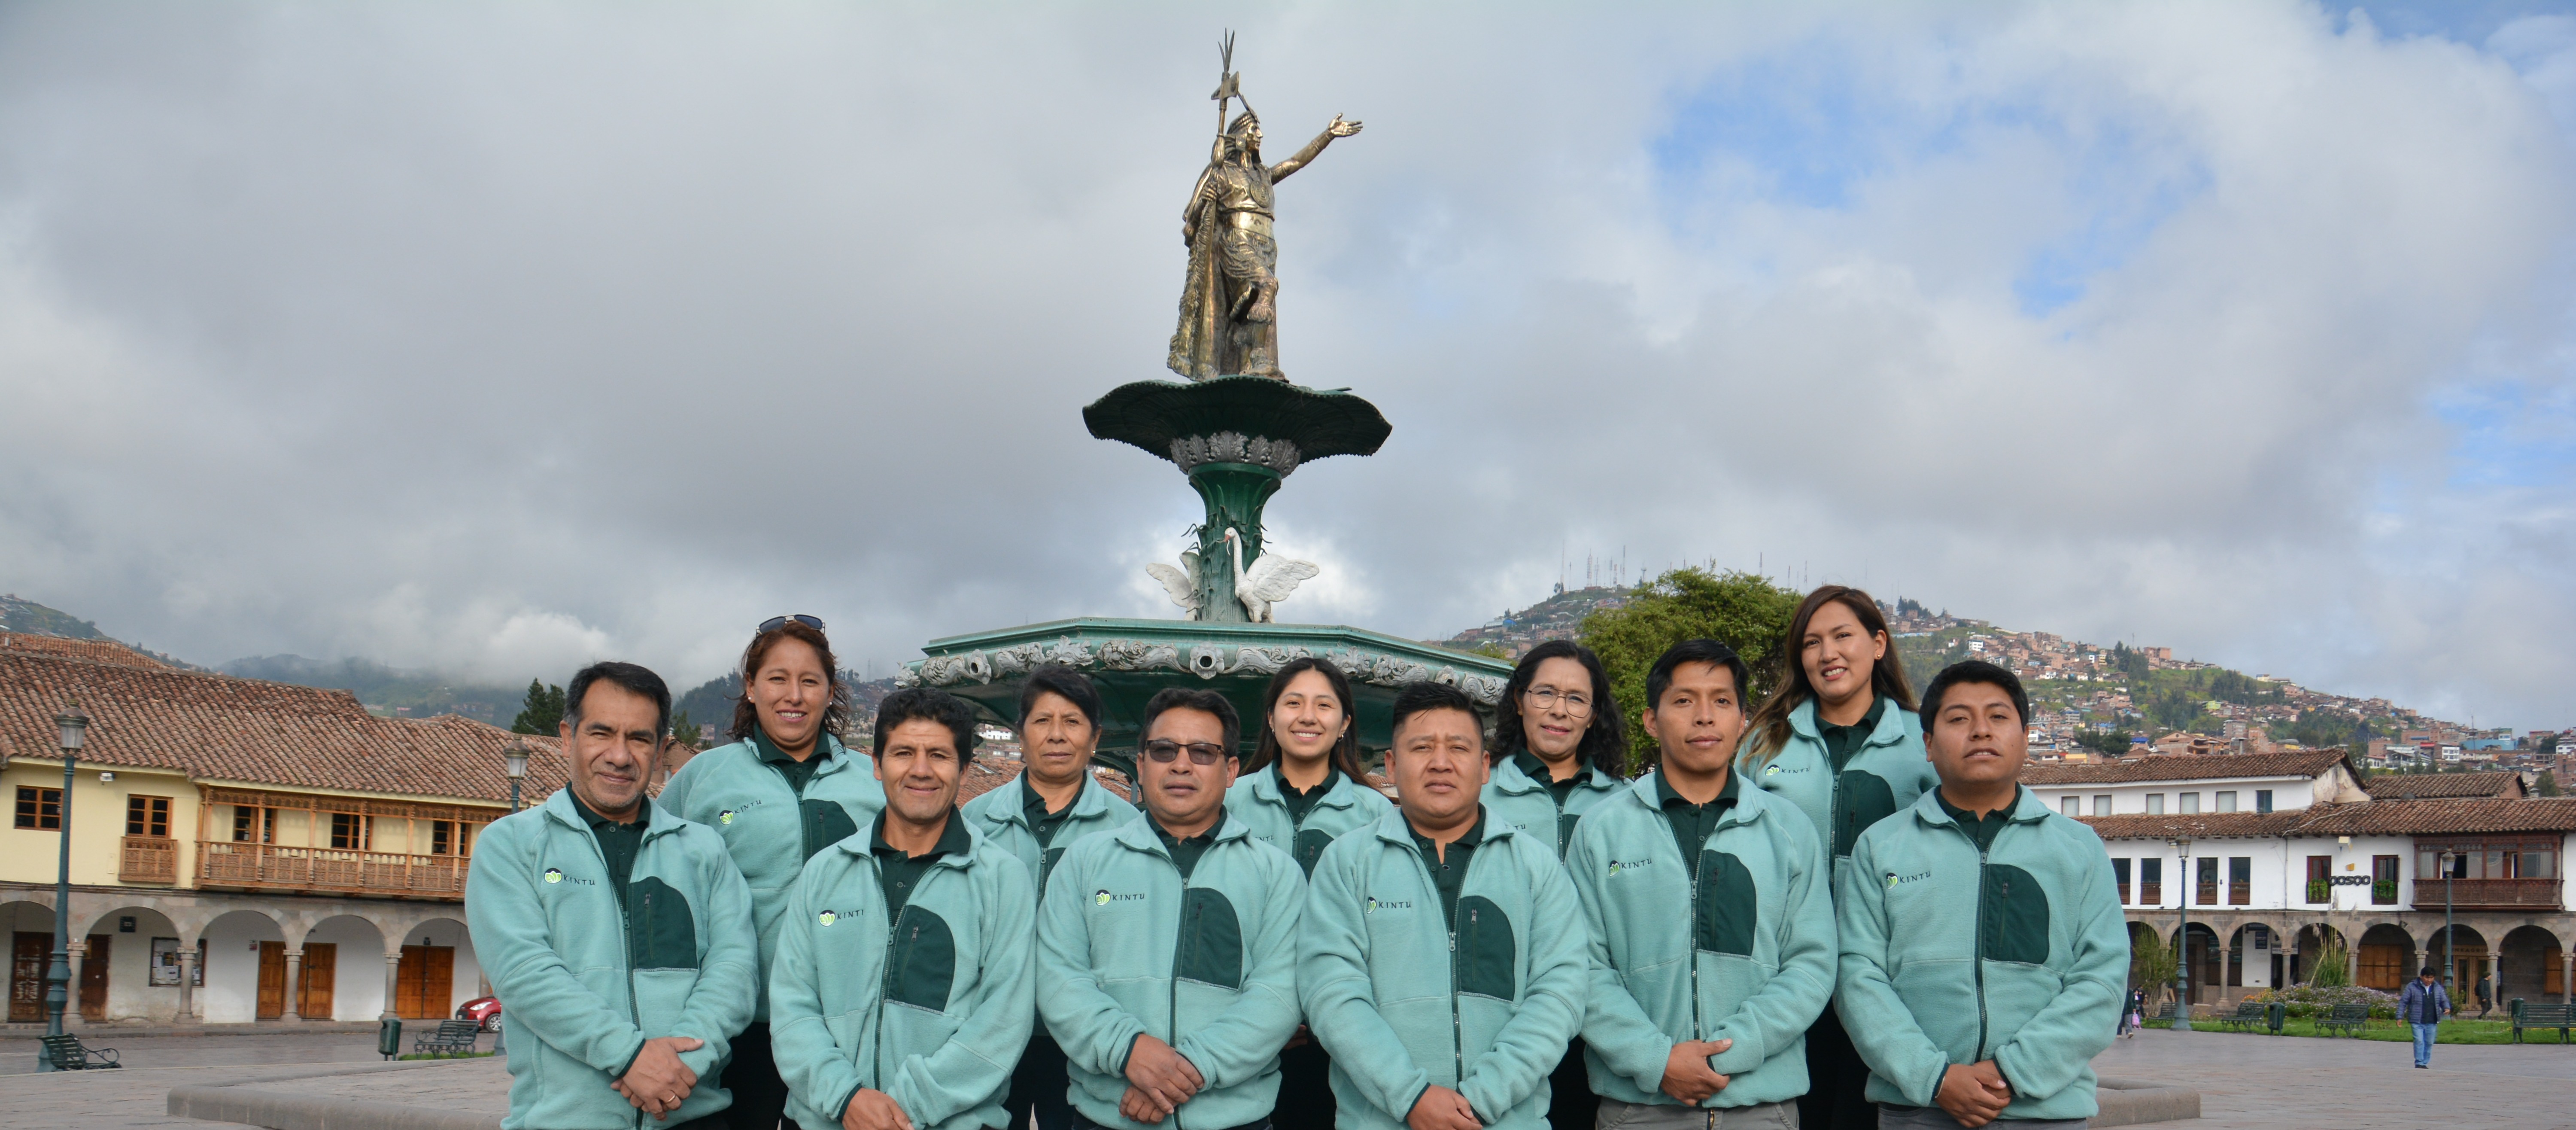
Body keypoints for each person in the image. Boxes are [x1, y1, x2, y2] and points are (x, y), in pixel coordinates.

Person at [466, 662, 758, 1130]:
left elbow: (735, 971)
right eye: (601, 733)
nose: (620, 756)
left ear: (662, 749)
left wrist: (677, 1069)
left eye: (640, 739)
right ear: (568, 736)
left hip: (694, 1118)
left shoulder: (705, 850)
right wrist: (628, 1057)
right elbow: (525, 974)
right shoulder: (511, 846)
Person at [1837, 661, 2126, 1130]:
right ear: (1928, 745)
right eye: (1958, 719)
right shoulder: (1881, 846)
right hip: (1919, 1110)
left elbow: (2102, 980)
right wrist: (1935, 1078)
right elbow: (1858, 976)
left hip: (2046, 1110)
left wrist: (2014, 1071)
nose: (1980, 731)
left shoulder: (2078, 849)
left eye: (1997, 717)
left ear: (2026, 736)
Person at [1567, 640, 1833, 1130]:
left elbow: (1812, 964)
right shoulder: (1600, 830)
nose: (1705, 717)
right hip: (1638, 1109)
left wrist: (1728, 1053)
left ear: (1743, 720)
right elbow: (1581, 966)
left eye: (1722, 701)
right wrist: (1656, 1060)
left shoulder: (1789, 829)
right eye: (1685, 701)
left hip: (1762, 1108)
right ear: (1652, 720)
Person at [1300, 681, 1588, 1130]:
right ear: (1391, 765)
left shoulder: (1535, 865)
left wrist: (1481, 1099)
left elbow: (1559, 993)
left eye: (1458, 747)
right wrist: (1411, 1096)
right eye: (1421, 748)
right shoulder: (1347, 862)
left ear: (1485, 765)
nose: (1440, 762)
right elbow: (1332, 993)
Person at [768, 687, 1037, 1130]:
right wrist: (848, 1099)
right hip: (825, 1118)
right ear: (876, 764)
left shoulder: (1002, 880)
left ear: (965, 769)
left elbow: (1003, 1023)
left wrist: (905, 1110)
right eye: (903, 753)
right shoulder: (823, 874)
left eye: (939, 755)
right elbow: (793, 1006)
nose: (920, 770)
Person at [1039, 687, 1306, 1130]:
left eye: (1203, 752)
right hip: (1107, 1114)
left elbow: (1279, 994)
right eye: (1164, 750)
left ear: (1232, 770)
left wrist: (1184, 1071)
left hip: (1235, 1120)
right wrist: (1129, 1051)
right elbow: (1059, 977)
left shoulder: (1276, 873)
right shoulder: (1085, 862)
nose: (1181, 764)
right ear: (1141, 765)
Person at [659, 615, 888, 1130]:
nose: (794, 695)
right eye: (778, 678)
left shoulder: (873, 780)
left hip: (845, 1024)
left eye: (810, 681)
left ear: (831, 691)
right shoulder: (703, 778)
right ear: (750, 686)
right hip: (740, 1027)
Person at [1740, 586, 1936, 1130]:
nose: (1827, 654)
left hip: (1885, 974)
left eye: (1842, 636)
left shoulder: (1923, 742)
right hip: (1784, 972)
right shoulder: (1764, 743)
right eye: (1811, 643)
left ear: (1878, 644)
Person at [962, 664, 1142, 1130]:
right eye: (1042, 721)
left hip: (1087, 1036)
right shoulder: (975, 822)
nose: (1057, 736)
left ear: (1095, 737)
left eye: (1073, 722)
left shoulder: (1128, 829)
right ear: (1020, 735)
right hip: (993, 1029)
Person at [1224, 657, 1395, 1130]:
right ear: (1272, 718)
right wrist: (1268, 1015)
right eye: (1293, 703)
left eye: (1324, 706)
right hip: (1239, 1026)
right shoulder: (1226, 804)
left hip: (1346, 1035)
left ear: (1344, 724)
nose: (1307, 716)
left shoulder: (1377, 815)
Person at [1480, 642, 1627, 1130]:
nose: (1559, 710)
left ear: (1593, 715)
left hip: (1609, 1021)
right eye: (1545, 693)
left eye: (1576, 699)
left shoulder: (1627, 806)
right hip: (1511, 1017)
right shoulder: (1479, 800)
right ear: (1518, 700)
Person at [2400, 966, 2451, 1068]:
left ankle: (2424, 1062)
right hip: (2417, 1020)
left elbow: (2443, 1000)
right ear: (2421, 977)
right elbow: (2403, 1002)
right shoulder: (2412, 987)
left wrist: (2446, 1008)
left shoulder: (2437, 987)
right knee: (2419, 1040)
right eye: (2427, 978)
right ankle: (2419, 1063)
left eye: (2431, 978)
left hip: (2432, 1020)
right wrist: (2399, 1017)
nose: (2429, 980)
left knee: (2429, 1042)